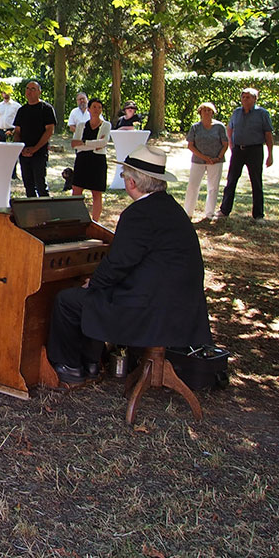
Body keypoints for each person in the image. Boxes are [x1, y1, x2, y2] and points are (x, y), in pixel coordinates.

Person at [46, 145, 211, 385]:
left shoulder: (139, 214)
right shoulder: (171, 208)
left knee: (69, 301)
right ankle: (92, 363)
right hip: (181, 305)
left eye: (124, 175)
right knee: (97, 294)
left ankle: (70, 367)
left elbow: (118, 263)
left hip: (152, 308)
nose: (124, 181)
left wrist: (94, 283)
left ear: (132, 182)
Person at [218, 87, 274, 220]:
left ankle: (258, 215)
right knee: (231, 180)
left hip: (255, 150)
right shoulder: (236, 112)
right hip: (238, 150)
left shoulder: (262, 113)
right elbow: (230, 128)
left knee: (256, 182)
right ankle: (224, 210)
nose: (245, 99)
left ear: (255, 99)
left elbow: (268, 134)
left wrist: (270, 154)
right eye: (243, 97)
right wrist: (231, 144)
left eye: (248, 97)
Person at [183, 102, 229, 222]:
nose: (207, 112)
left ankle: (209, 213)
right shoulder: (195, 127)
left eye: (209, 110)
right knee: (193, 186)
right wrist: (203, 157)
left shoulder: (220, 127)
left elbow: (225, 144)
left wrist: (218, 157)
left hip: (215, 162)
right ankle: (188, 212)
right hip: (198, 161)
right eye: (204, 110)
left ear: (213, 112)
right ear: (200, 113)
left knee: (213, 187)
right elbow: (190, 145)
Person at [70, 97, 111, 221]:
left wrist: (83, 143)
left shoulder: (106, 125)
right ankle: (76, 218)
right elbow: (74, 144)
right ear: (88, 109)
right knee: (76, 190)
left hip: (97, 161)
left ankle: (95, 222)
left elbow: (103, 143)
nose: (97, 110)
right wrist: (93, 144)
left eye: (99, 107)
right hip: (82, 160)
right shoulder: (81, 125)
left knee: (96, 193)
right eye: (94, 107)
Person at [14, 81, 56, 198]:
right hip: (23, 153)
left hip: (39, 152)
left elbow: (49, 131)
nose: (30, 91)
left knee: (40, 185)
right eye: (28, 88)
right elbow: (17, 131)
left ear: (39, 92)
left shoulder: (46, 109)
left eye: (33, 89)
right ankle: (31, 213)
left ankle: (46, 213)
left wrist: (35, 149)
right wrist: (20, 148)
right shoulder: (22, 110)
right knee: (28, 185)